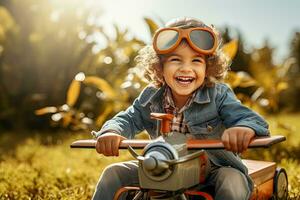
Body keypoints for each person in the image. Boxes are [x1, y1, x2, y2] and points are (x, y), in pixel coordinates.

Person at [92, 17, 269, 200]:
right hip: (163, 168)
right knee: (113, 173)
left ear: (208, 67)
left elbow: (251, 119)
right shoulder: (151, 97)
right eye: (176, 60)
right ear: (160, 66)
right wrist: (111, 131)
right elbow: (128, 118)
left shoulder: (218, 95)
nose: (186, 68)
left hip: (211, 170)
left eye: (196, 61)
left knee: (232, 181)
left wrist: (243, 128)